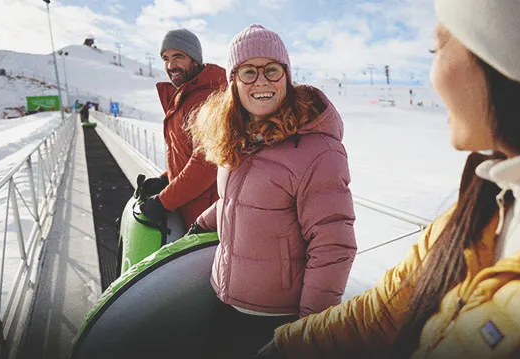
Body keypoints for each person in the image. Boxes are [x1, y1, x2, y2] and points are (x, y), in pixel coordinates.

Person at [255, 1, 520, 358]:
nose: (431, 75)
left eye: (438, 46)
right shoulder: (484, 207)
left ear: (513, 62)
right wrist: (289, 346)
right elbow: (383, 314)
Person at [187, 24, 357, 357]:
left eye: (272, 70)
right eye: (249, 72)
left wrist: (307, 331)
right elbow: (237, 201)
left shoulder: (318, 151)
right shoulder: (239, 137)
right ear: (234, 82)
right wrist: (204, 222)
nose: (261, 81)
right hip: (224, 300)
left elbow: (333, 245)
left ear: (286, 77)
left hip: (275, 321)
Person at [138, 29, 227, 230]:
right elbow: (184, 153)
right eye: (166, 58)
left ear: (195, 59)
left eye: (178, 56)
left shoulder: (207, 99)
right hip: (190, 210)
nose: (171, 65)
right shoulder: (185, 97)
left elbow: (205, 165)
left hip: (210, 220)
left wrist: (163, 201)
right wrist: (165, 178)